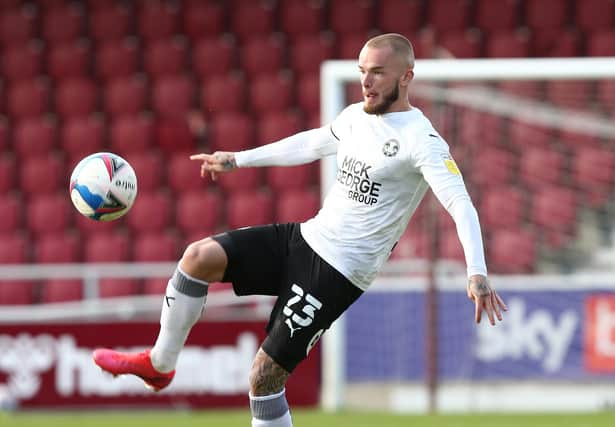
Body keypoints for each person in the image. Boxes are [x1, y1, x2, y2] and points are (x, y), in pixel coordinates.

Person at [93, 33, 508, 427]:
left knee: (264, 378)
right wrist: (238, 159)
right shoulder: (354, 118)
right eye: (362, 69)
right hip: (305, 238)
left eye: (378, 72)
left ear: (406, 77)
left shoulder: (423, 140)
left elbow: (460, 203)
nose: (365, 80)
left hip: (337, 272)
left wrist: (477, 272)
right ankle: (160, 365)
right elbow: (310, 144)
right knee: (197, 257)